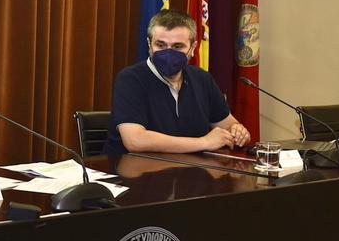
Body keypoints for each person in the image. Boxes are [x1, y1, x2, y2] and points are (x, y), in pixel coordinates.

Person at [106, 9, 251, 155]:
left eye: (177, 47)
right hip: (132, 172)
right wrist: (204, 142)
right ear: (149, 45)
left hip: (189, 172)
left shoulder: (202, 79)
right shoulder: (130, 79)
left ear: (193, 48)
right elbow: (135, 141)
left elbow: (228, 125)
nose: (168, 53)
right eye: (160, 45)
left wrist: (238, 132)